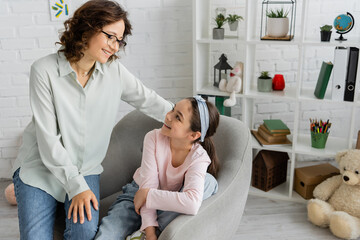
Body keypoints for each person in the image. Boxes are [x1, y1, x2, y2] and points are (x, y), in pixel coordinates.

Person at [12, 1, 173, 239]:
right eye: (110, 37)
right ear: (88, 28)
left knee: (84, 233)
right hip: (41, 169)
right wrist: (76, 188)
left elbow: (148, 100)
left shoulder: (114, 71)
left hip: (86, 168)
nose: (114, 47)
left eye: (119, 41)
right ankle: (18, 190)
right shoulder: (43, 70)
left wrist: (192, 120)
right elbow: (48, 142)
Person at [95, 96, 220, 240]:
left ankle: (142, 233)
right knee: (107, 235)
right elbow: (147, 186)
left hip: (165, 202)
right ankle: (144, 231)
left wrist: (148, 195)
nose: (168, 116)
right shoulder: (153, 138)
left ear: (193, 135)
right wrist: (149, 232)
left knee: (209, 182)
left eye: (178, 117)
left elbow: (191, 204)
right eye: (173, 110)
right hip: (136, 195)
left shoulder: (199, 157)